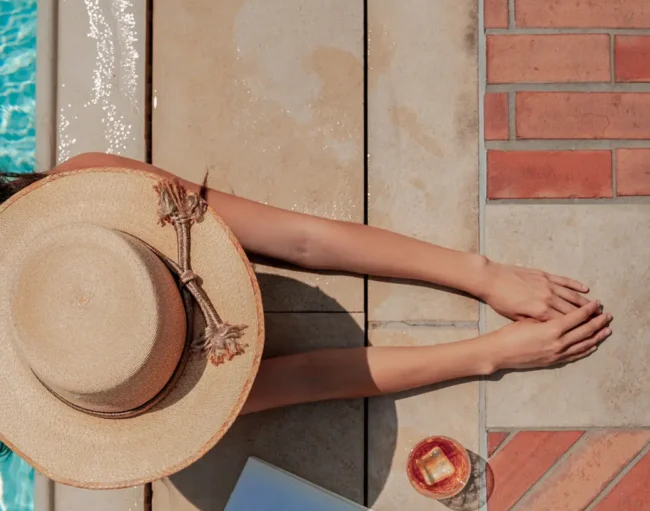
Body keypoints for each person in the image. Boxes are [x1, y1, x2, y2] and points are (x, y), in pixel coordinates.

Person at [1, 152, 612, 421]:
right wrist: (489, 354)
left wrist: (481, 274)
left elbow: (298, 239)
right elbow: (310, 377)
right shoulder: (111, 396)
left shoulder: (94, 190)